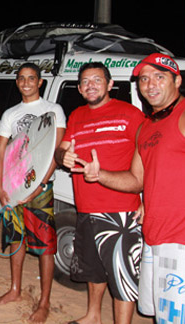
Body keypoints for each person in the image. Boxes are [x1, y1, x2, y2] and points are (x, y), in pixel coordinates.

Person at [74, 53, 185, 323]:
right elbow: (136, 180)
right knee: (157, 314)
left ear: (177, 80)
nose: (150, 85)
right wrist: (100, 175)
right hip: (153, 237)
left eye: (159, 77)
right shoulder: (147, 127)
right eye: (144, 79)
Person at [54, 62, 144, 324]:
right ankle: (93, 316)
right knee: (93, 269)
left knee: (122, 275)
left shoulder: (130, 114)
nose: (90, 85)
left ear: (110, 84)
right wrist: (64, 156)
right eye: (85, 82)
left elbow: (150, 159)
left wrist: (146, 200)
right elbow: (61, 150)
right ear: (80, 89)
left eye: (96, 79)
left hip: (121, 211)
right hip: (86, 207)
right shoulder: (77, 116)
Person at [0, 62, 66, 324]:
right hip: (14, 186)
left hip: (41, 187)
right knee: (16, 238)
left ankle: (44, 303)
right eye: (22, 78)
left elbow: (55, 152)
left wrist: (38, 185)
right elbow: (0, 151)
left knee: (45, 246)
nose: (26, 83)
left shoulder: (53, 110)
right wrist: (1, 186)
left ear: (40, 82)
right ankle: (15, 289)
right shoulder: (10, 113)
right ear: (17, 82)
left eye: (31, 78)